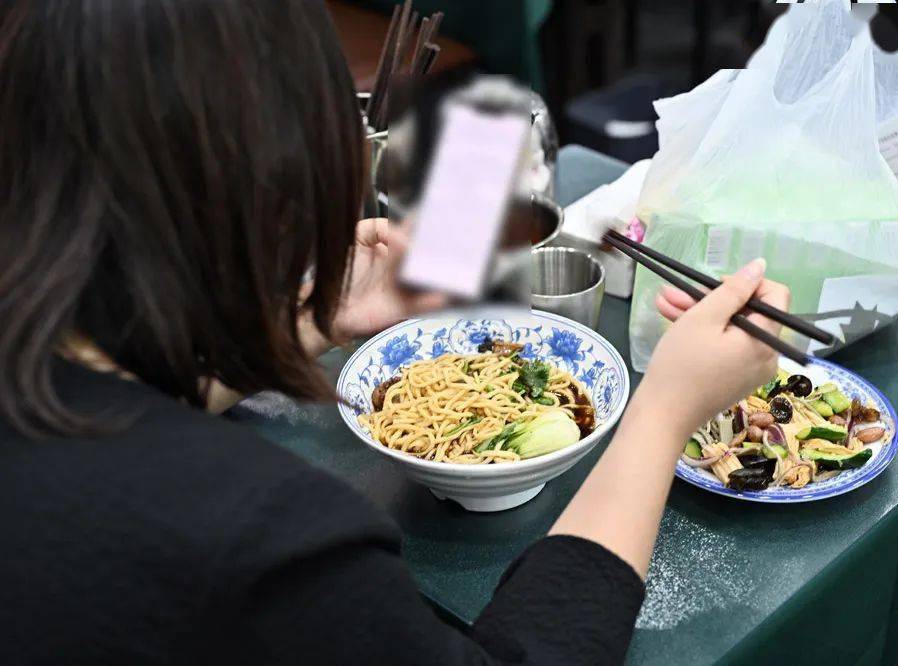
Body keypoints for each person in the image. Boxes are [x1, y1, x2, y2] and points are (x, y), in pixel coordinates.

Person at [0, 1, 790, 664]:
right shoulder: (270, 534)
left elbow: (114, 408)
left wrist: (305, 323)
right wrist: (659, 417)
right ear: (266, 194)